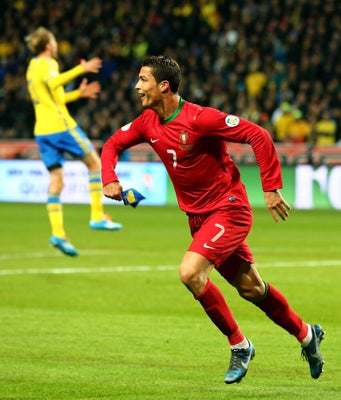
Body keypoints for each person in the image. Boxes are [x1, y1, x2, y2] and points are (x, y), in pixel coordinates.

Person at [100, 56, 325, 384]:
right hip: (199, 218)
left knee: (190, 273)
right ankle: (307, 335)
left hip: (229, 209)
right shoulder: (147, 121)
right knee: (252, 289)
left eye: (143, 80)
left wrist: (272, 188)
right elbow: (112, 144)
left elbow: (258, 135)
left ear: (164, 86)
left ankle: (240, 345)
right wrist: (110, 177)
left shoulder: (200, 119)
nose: (137, 86)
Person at [25, 27, 122, 257]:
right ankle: (97, 216)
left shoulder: (31, 67)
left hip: (42, 130)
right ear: (48, 45)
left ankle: (58, 233)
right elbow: (53, 84)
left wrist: (77, 94)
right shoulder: (47, 63)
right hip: (61, 127)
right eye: (54, 40)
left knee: (57, 181)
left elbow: (53, 97)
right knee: (95, 163)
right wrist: (82, 68)